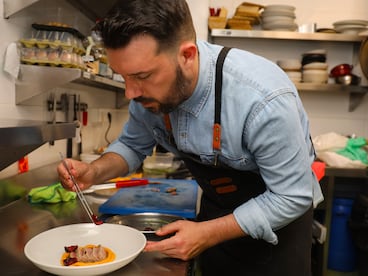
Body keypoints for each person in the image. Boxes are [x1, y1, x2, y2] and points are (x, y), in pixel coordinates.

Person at [57, 0, 323, 275]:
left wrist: (208, 233)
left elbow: (291, 196)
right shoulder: (145, 94)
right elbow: (132, 145)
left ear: (186, 55)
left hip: (277, 233)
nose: (130, 93)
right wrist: (94, 171)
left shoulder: (263, 99)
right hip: (215, 217)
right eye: (123, 77)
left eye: (142, 76)